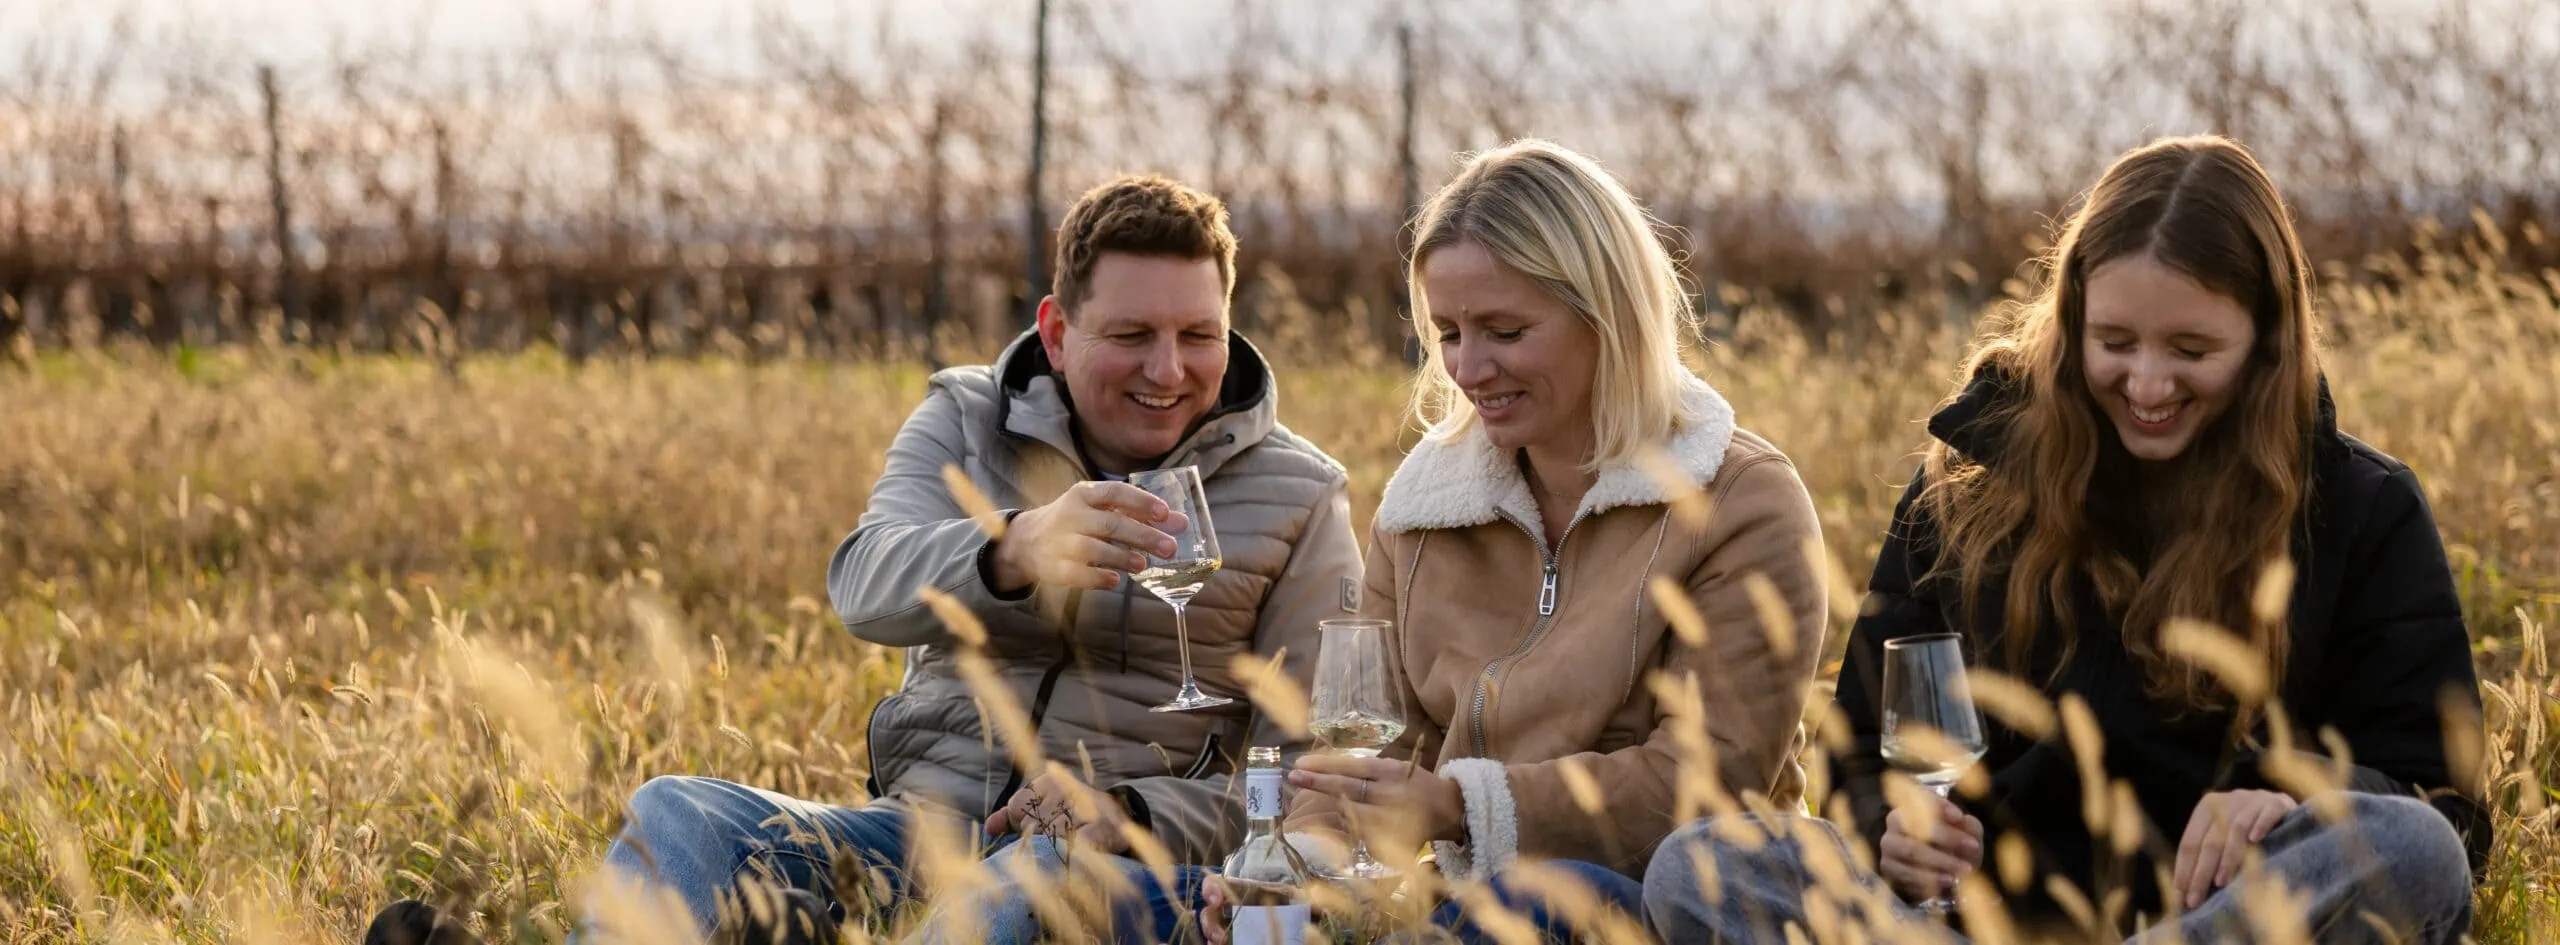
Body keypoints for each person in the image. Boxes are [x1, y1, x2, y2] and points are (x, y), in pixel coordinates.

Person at [364, 174, 1363, 945]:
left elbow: (1319, 775)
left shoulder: (1300, 494)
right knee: (681, 813)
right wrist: (1012, 547)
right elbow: (863, 582)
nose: (1169, 369)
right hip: (920, 830)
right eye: (1132, 334)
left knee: (1025, 883)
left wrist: (1130, 810)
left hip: (1108, 865)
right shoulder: (966, 417)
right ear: (1057, 334)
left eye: (1198, 335)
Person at [1642, 135, 2489, 945]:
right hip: (1970, 923)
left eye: (2191, 349)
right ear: (2072, 317)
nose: (2147, 384)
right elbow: (1858, 758)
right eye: (2115, 342)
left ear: (2267, 338)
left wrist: (2293, 798)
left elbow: (2443, 807)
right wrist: (1889, 829)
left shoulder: (2360, 508)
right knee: (1701, 864)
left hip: (2215, 922)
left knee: (2412, 850)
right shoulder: (1969, 484)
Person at [1192, 138, 1832, 944]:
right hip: (1461, 906)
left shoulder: (1741, 502)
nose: (1469, 368)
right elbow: (1365, 751)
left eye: (1504, 330)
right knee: (1169, 897)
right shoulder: (1422, 511)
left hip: (1663, 910)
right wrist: (1301, 870)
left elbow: (1702, 784)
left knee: (1534, 898)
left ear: (1607, 314)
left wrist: (1463, 806)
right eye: (1449, 333)